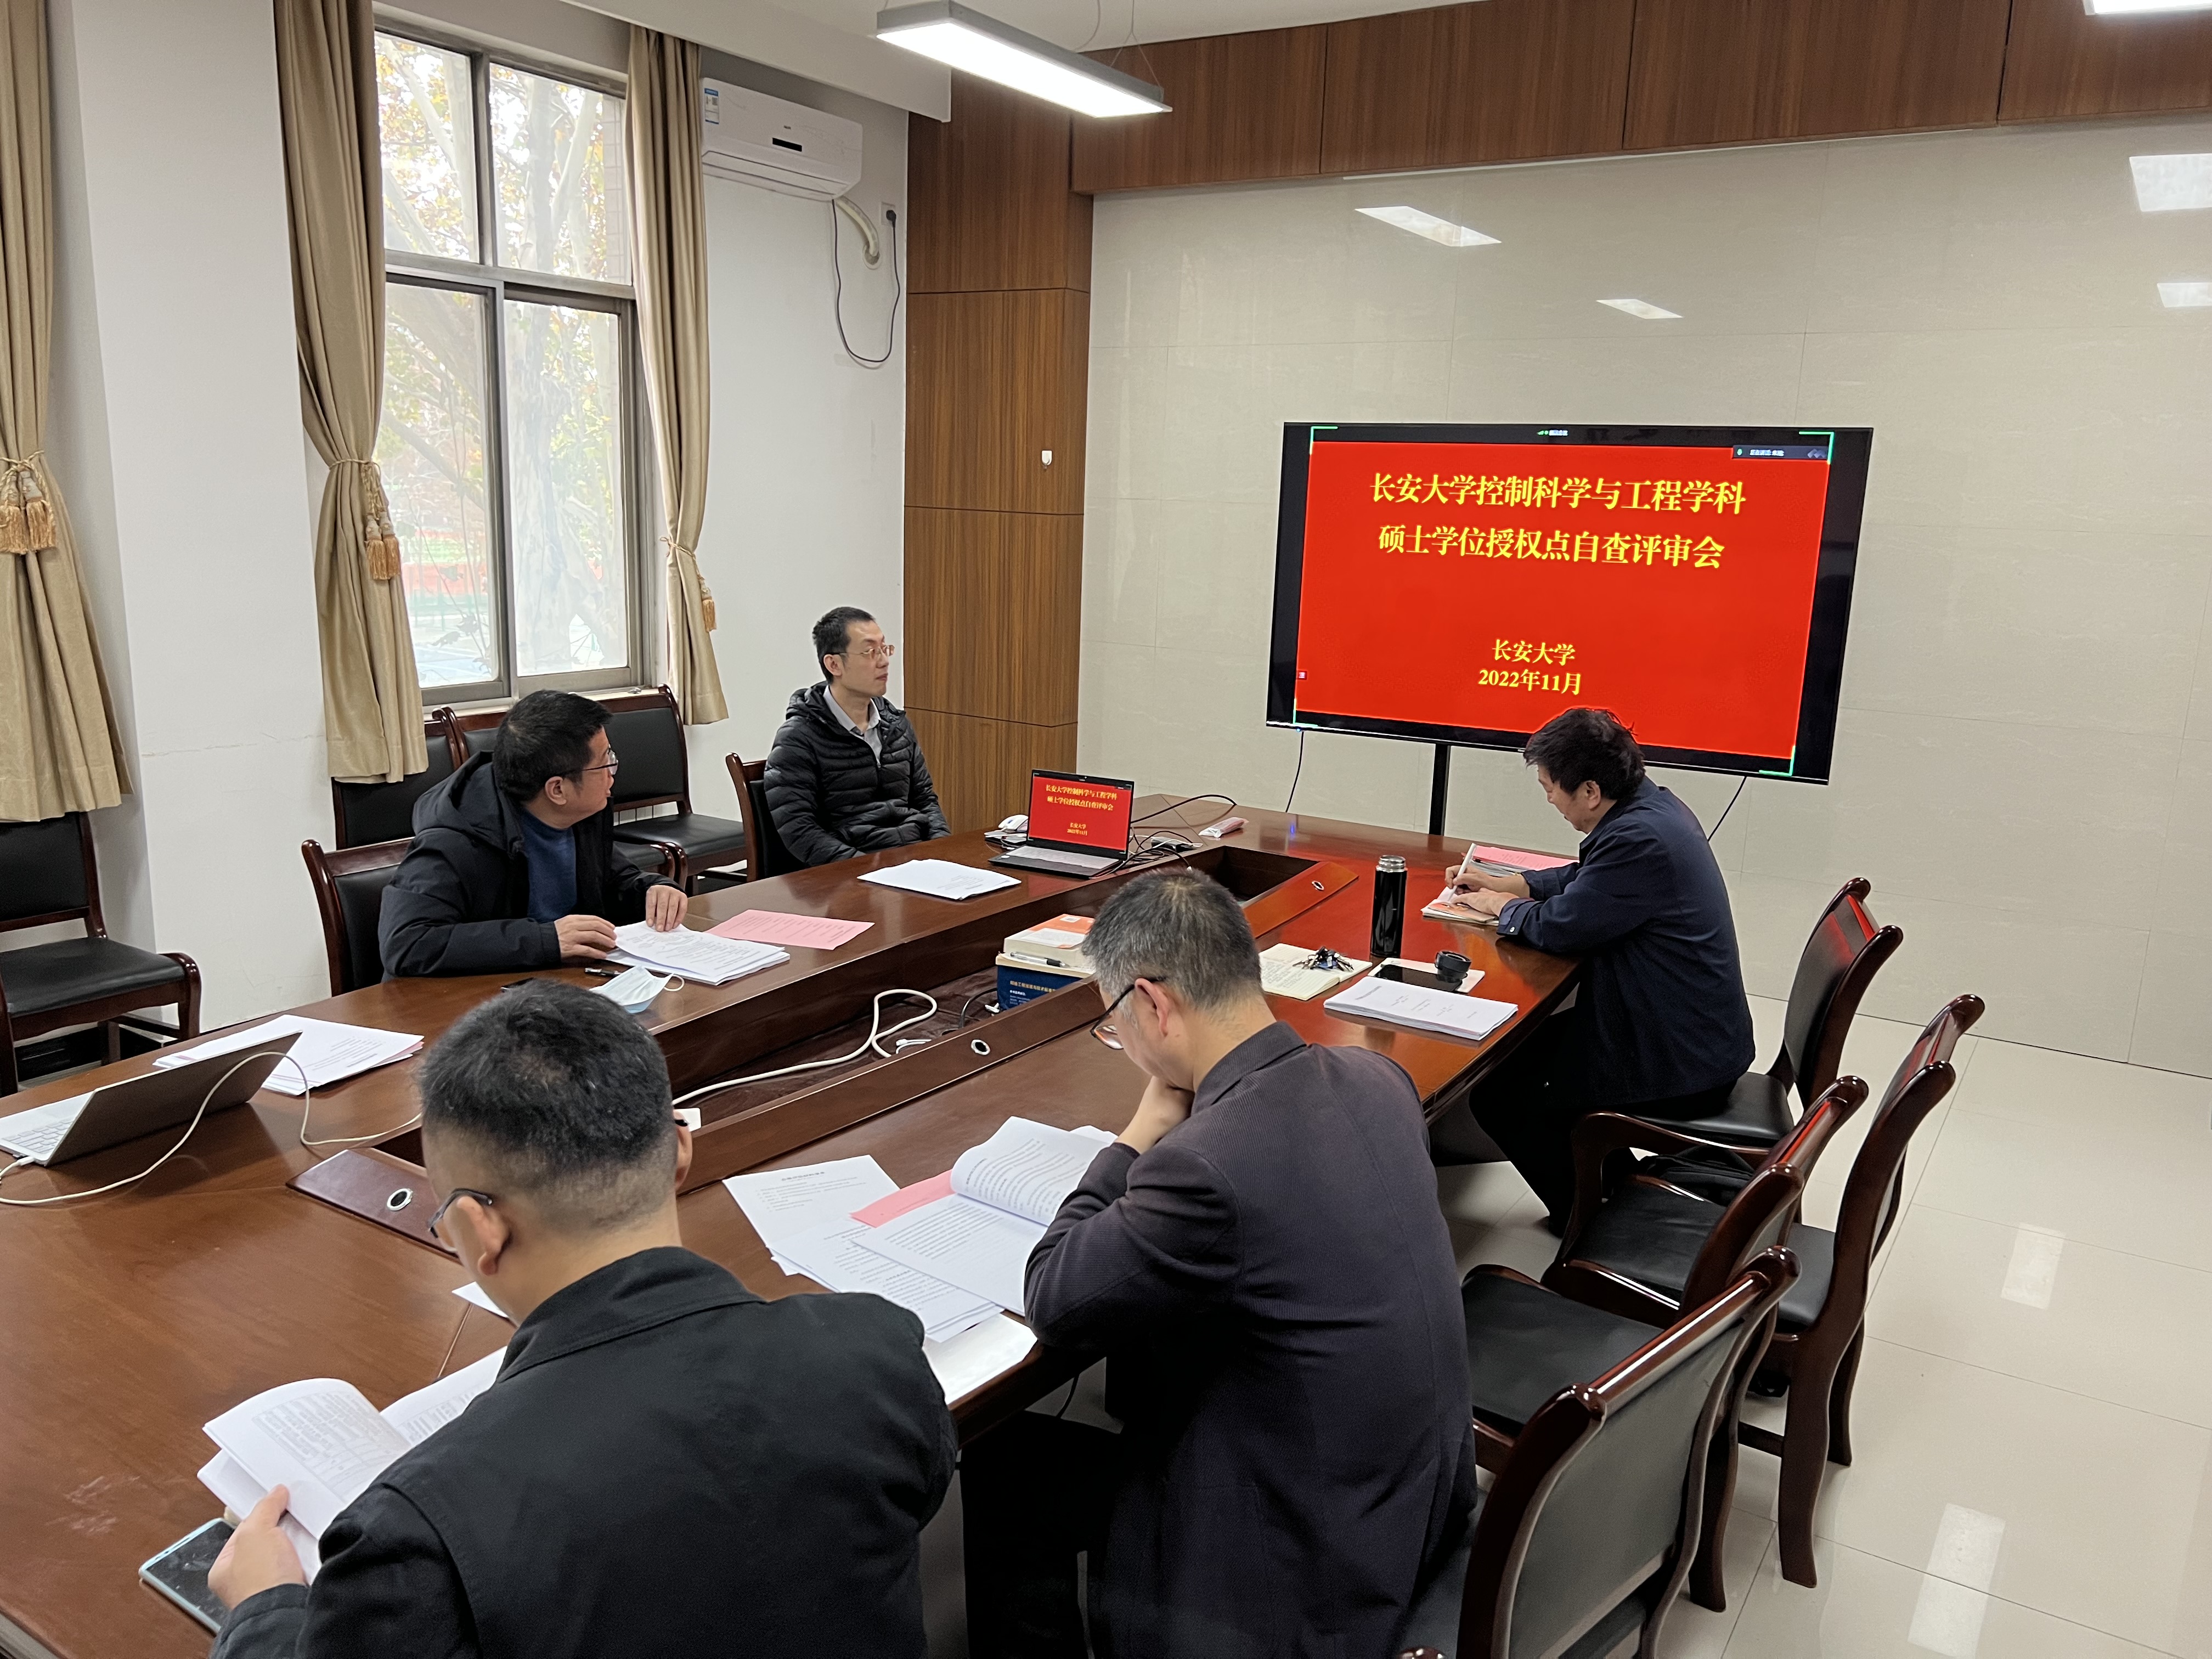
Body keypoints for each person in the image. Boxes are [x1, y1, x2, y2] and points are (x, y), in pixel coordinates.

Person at [205, 979, 956, 1658]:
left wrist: (263, 1610)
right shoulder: (876, 1352)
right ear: (681, 1154)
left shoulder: (416, 1532)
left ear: (478, 1229)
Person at [961, 871, 1474, 1659]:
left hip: (1305, 1566)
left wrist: (1134, 1138)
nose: (1122, 1040)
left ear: (1153, 1004)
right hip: (1410, 1496)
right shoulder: (1379, 1078)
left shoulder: (1205, 1165)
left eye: (1113, 1022)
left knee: (1004, 1458)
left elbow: (1056, 1297)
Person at [1445, 706, 1755, 1228]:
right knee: (1519, 1058)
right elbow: (1594, 878)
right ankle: (1614, 1189)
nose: (1549, 800)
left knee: (1503, 1094)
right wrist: (1514, 884)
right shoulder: (1653, 807)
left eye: (1550, 789)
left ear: (1589, 791)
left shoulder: (1640, 839)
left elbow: (1562, 928)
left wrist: (1501, 907)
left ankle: (1593, 1223)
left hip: (1678, 1056)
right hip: (1686, 1027)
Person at [379, 690, 687, 978]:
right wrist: (546, 939)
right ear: (557, 789)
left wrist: (652, 889)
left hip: (556, 981)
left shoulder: (580, 814)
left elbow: (612, 877)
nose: (613, 771)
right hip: (473, 998)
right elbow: (407, 943)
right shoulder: (454, 839)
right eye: (604, 762)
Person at [764, 606, 949, 866]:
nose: (884, 661)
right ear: (834, 664)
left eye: (885, 649)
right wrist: (864, 869)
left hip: (912, 860)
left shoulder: (896, 725)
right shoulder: (799, 737)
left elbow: (925, 800)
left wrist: (941, 852)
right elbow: (799, 830)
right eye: (870, 652)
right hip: (851, 869)